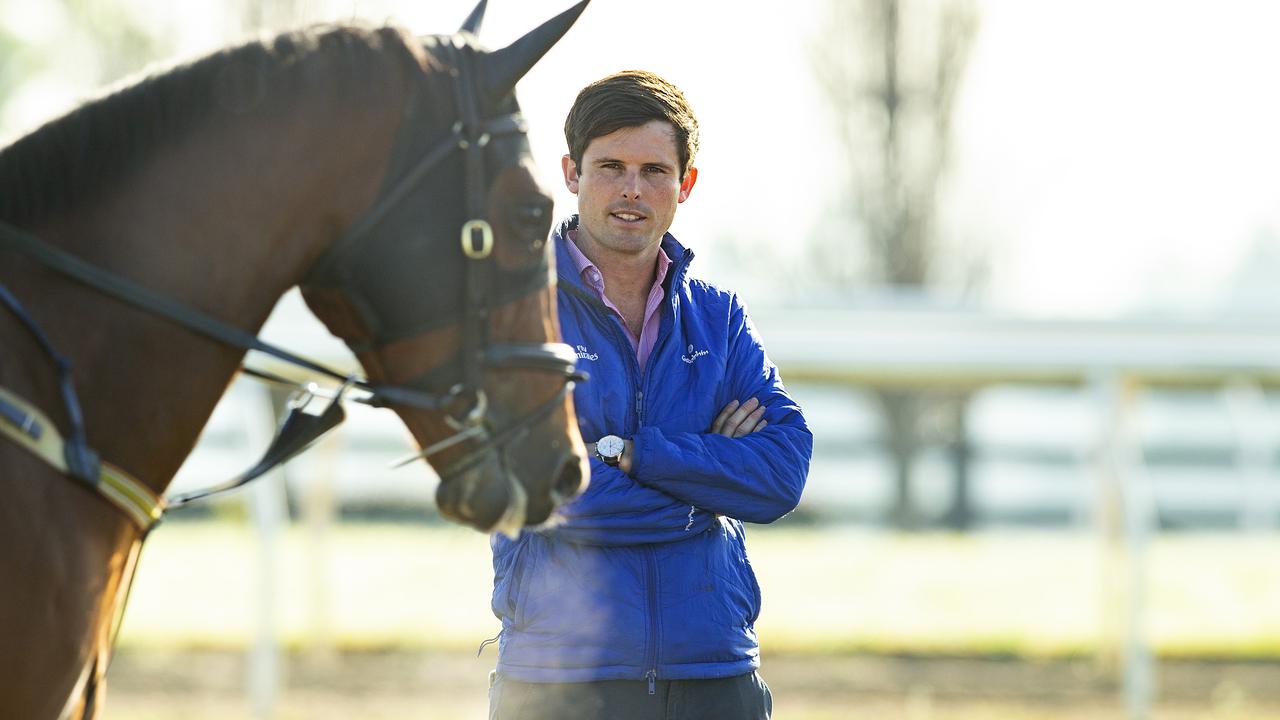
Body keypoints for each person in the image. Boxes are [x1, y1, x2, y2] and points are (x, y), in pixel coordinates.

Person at [486, 70, 812, 720]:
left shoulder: (719, 319)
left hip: (715, 672)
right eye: (611, 165)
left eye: (654, 170)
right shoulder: (514, 313)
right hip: (558, 681)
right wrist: (709, 482)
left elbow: (779, 477)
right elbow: (543, 494)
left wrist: (631, 455)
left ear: (685, 184)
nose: (633, 189)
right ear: (571, 173)